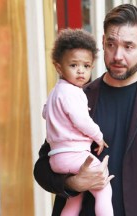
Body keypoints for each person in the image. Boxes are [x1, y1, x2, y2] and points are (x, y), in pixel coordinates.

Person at [33, 4, 137, 216]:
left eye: (128, 46)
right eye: (111, 44)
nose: (117, 55)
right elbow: (42, 167)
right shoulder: (76, 97)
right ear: (103, 43)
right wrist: (74, 182)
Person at [43, 28, 113, 216]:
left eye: (86, 66)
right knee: (103, 188)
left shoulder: (55, 92)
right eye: (74, 65)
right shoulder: (72, 92)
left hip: (57, 158)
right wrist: (98, 136)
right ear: (59, 67)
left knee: (75, 198)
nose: (81, 71)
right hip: (74, 155)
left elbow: (45, 113)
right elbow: (82, 121)